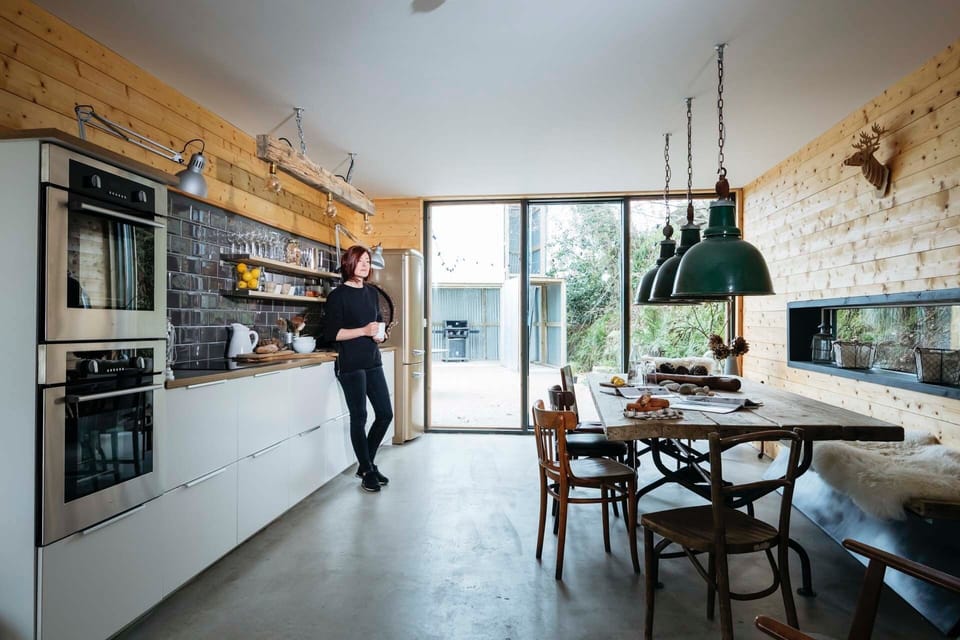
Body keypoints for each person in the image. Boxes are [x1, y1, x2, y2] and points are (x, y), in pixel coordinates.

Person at [323, 245, 394, 493]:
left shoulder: (372, 293)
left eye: (367, 261)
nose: (365, 265)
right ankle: (367, 470)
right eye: (360, 260)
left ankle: (367, 465)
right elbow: (333, 333)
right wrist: (363, 331)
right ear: (348, 263)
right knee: (360, 417)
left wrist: (379, 336)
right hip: (350, 363)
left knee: (385, 414)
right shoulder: (337, 296)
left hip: (373, 360)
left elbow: (378, 322)